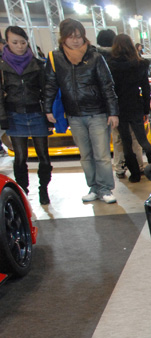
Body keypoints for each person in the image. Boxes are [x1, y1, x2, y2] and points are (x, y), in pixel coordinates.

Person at [43, 19, 119, 204]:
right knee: (85, 155)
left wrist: (113, 112)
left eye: (79, 36)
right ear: (63, 38)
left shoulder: (95, 57)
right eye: (71, 37)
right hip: (74, 115)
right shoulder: (55, 58)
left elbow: (107, 85)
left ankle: (105, 188)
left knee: (101, 154)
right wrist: (47, 108)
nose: (76, 40)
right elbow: (50, 85)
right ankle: (93, 187)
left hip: (98, 113)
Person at [0, 26, 53, 204]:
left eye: (23, 42)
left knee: (44, 156)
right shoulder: (2, 67)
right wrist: (2, 118)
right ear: (7, 42)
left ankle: (44, 189)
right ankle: (23, 192)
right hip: (14, 114)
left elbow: (47, 91)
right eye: (15, 42)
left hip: (37, 113)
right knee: (20, 157)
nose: (20, 46)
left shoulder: (38, 64)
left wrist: (48, 113)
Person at [107, 34, 151, 183]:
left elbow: (108, 89)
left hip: (119, 107)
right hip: (135, 105)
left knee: (126, 143)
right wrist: (146, 108)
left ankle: (134, 175)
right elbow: (145, 88)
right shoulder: (140, 64)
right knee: (142, 140)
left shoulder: (110, 65)